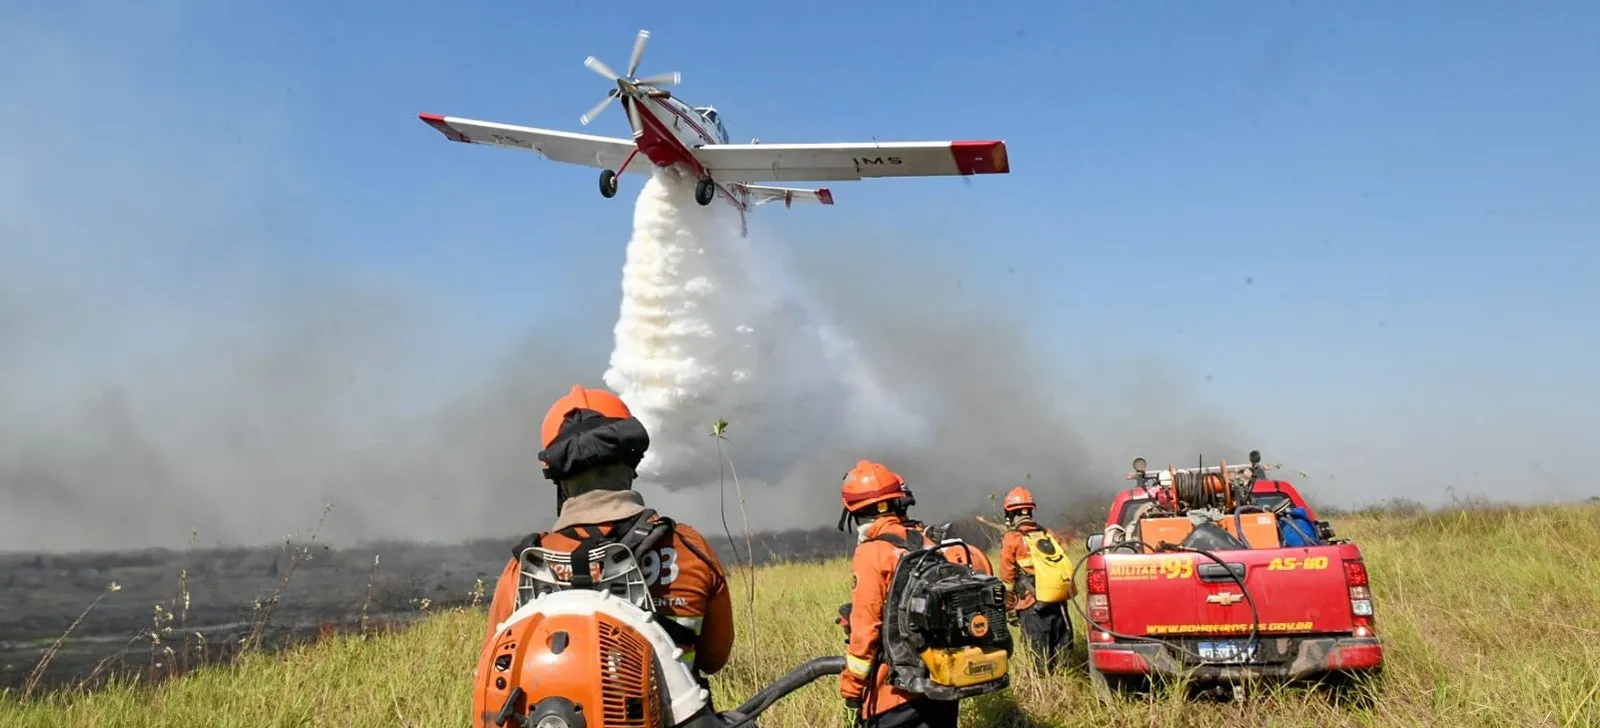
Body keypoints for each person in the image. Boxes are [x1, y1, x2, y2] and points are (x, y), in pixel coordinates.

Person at [480, 385, 735, 692]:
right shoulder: (688, 549)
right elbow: (713, 659)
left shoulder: (524, 567)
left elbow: (494, 676)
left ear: (558, 477)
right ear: (632, 462)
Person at [837, 459, 993, 728]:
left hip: (894, 695)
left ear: (856, 513)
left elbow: (865, 633)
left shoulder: (872, 553)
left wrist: (852, 691)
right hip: (941, 683)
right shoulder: (929, 543)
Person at [998, 486, 1073, 672]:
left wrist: (1009, 607)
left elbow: (1007, 576)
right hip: (1058, 599)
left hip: (1030, 603)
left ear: (1010, 514)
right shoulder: (1047, 533)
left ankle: (1043, 688)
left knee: (1038, 651)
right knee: (1061, 643)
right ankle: (1063, 679)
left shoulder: (1013, 538)